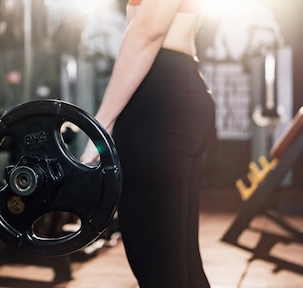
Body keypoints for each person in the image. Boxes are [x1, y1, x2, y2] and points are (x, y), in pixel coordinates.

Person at [79, 0, 215, 287]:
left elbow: (148, 31)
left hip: (161, 98)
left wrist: (100, 123)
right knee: (180, 262)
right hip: (176, 90)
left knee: (157, 260)